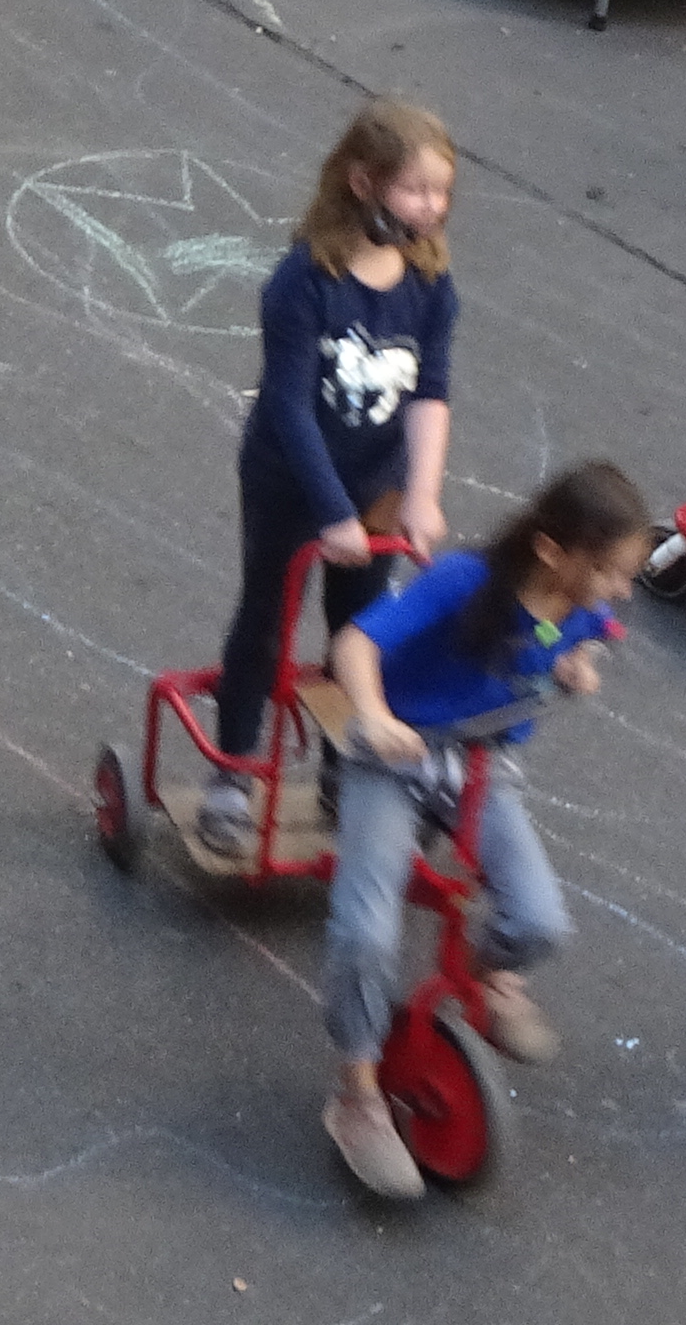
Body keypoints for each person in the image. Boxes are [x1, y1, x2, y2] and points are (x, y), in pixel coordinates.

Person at [315, 462, 650, 1202]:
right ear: (554, 554)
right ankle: (357, 1092)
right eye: (611, 572)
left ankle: (486, 974)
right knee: (365, 931)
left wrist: (576, 662)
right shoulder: (463, 582)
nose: (620, 590)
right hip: (396, 759)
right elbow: (356, 646)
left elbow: (578, 636)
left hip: (480, 766)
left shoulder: (578, 605)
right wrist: (372, 714)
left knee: (539, 922)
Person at [191, 101, 457, 868]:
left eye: (441, 193)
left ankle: (350, 759)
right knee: (268, 617)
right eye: (416, 191)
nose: (431, 208)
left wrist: (422, 494)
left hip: (375, 486)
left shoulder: (432, 289)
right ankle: (233, 775)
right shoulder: (305, 283)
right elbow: (287, 404)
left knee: (362, 629)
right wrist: (329, 512)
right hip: (290, 478)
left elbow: (429, 394)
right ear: (364, 183)